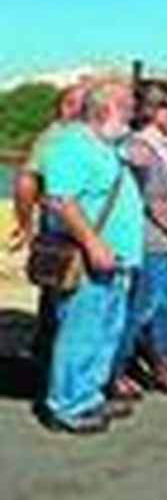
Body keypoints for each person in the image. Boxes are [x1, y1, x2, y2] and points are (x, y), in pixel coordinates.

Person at [36, 80, 144, 434]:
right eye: (127, 105)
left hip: (118, 259)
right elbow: (60, 200)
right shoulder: (70, 145)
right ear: (106, 108)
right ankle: (67, 404)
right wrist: (93, 243)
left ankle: (90, 395)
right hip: (90, 258)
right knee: (81, 331)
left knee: (104, 331)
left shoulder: (105, 145)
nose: (133, 111)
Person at [114, 81, 167, 397]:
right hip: (154, 240)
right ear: (152, 109)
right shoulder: (140, 146)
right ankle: (116, 370)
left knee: (166, 305)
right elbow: (150, 199)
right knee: (143, 308)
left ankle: (159, 364)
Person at [11, 82, 90, 360]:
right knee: (61, 290)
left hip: (69, 221)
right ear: (67, 106)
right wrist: (25, 224)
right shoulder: (55, 137)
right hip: (62, 223)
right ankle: (50, 360)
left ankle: (50, 355)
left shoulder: (79, 136)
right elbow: (25, 182)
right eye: (84, 103)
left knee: (59, 291)